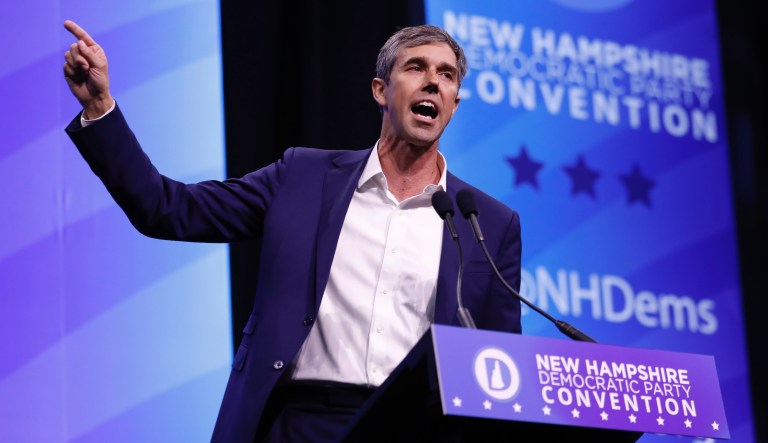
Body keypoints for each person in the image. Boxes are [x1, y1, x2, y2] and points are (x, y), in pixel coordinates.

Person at [62, 19, 522, 443]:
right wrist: (101, 108)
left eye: (446, 75)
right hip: (295, 423)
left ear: (455, 103)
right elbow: (168, 209)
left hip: (410, 430)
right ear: (381, 90)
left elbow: (498, 370)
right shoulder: (302, 176)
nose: (432, 83)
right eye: (416, 67)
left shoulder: (487, 222)